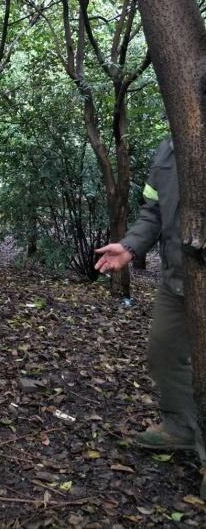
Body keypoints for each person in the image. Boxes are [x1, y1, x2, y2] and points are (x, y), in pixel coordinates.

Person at [95, 138, 202, 455]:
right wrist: (130, 246)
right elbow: (154, 210)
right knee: (163, 352)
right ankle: (181, 426)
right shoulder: (170, 146)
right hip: (178, 278)